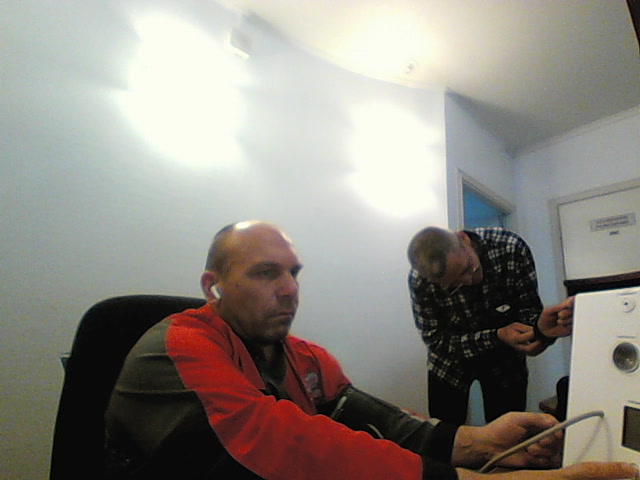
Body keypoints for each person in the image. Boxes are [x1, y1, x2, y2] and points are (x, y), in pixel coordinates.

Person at [104, 220, 632, 480]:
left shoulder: (307, 357)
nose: (289, 289)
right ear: (212, 286)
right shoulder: (178, 346)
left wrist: (478, 440)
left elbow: (379, 422)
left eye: (293, 272)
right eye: (266, 273)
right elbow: (284, 446)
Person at [407, 226, 574, 425]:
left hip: (505, 360)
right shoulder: (421, 281)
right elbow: (436, 340)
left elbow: (528, 312)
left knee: (510, 432)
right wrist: (497, 335)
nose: (468, 280)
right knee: (445, 435)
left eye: (467, 268)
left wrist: (541, 331)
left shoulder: (510, 248)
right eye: (454, 285)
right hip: (450, 364)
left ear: (463, 238)